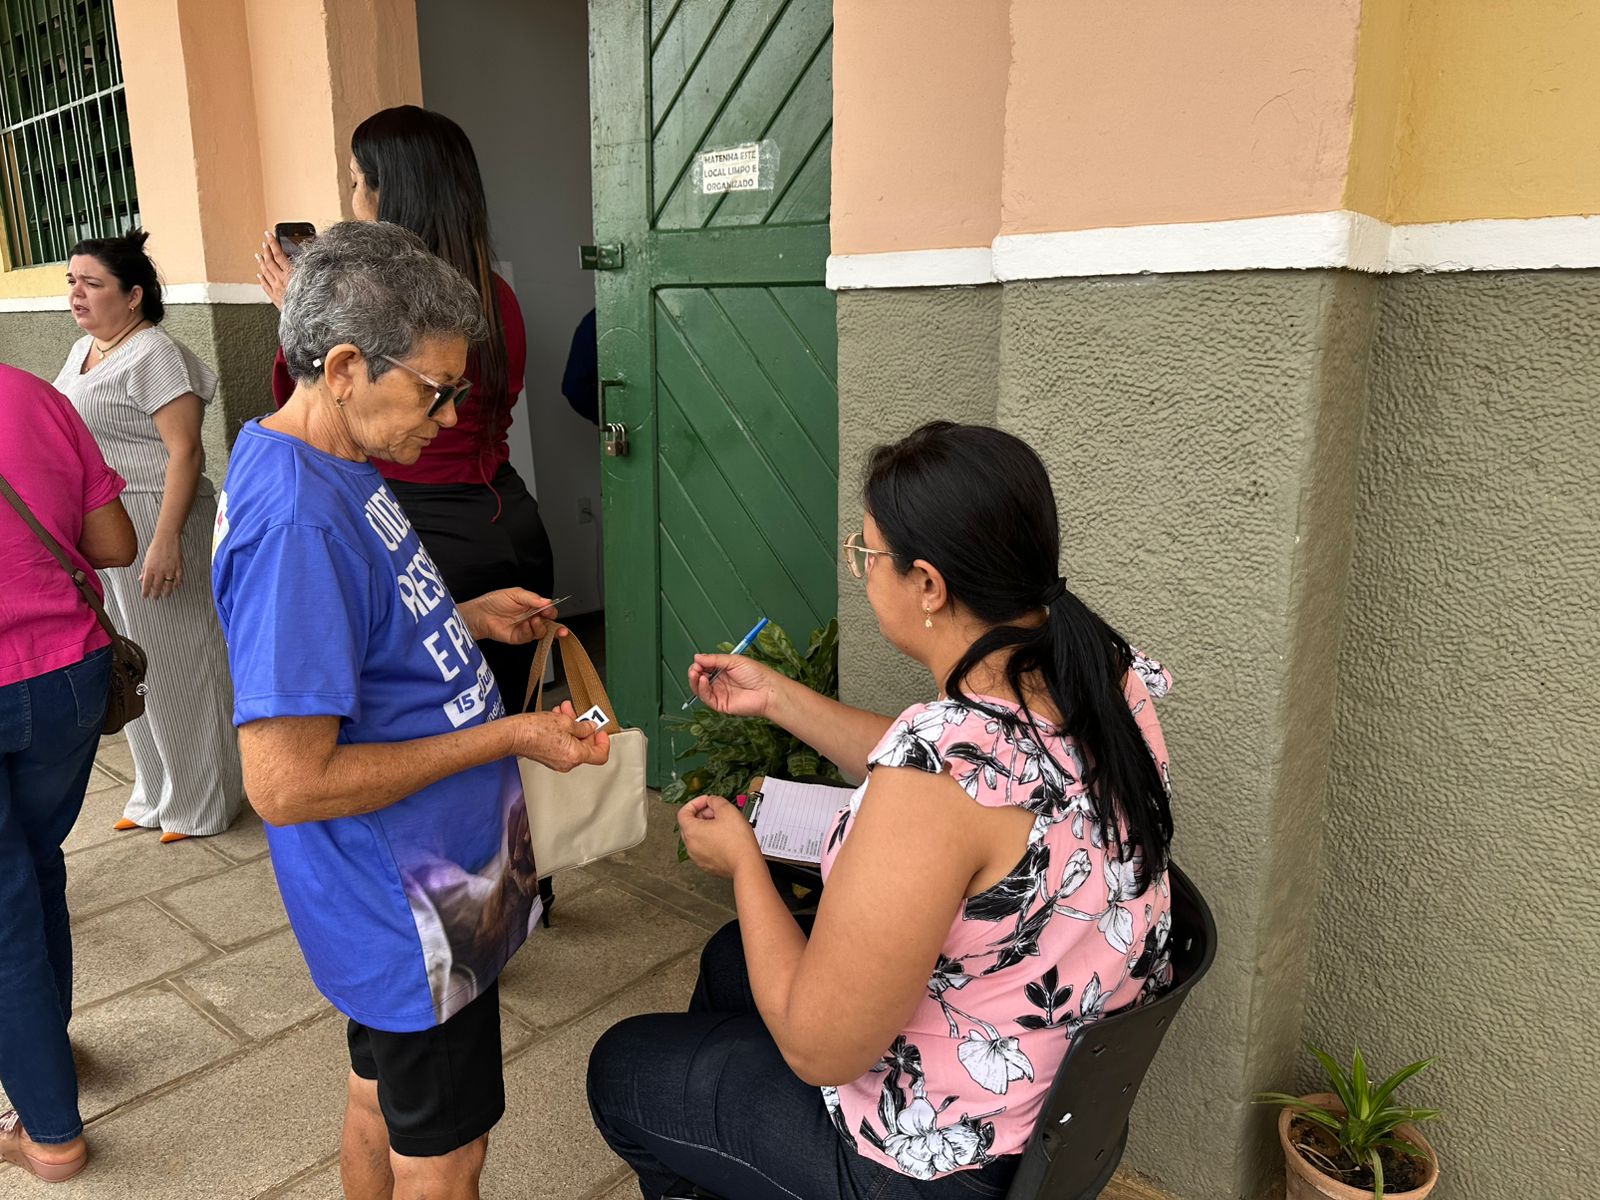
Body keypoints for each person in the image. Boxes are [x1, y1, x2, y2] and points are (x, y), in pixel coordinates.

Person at [587, 422, 1177, 1200]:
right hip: (1047, 1084)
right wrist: (780, 700)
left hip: (944, 1160)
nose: (862, 570)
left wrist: (743, 866)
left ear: (928, 584)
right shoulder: (1098, 671)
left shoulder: (939, 775)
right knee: (733, 959)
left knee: (621, 1068)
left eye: (866, 555)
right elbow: (964, 774)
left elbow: (816, 1048)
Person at [214, 220, 610, 1200]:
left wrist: (460, 614)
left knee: (375, 1097)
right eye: (436, 392)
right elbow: (287, 782)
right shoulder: (297, 522)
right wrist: (514, 733)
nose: (450, 416)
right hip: (411, 908)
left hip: (408, 892)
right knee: (447, 1152)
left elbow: (345, 634)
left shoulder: (326, 457)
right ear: (344, 366)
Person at [256, 105, 554, 712]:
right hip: (507, 523)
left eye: (358, 180)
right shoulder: (496, 298)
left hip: (422, 536)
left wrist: (304, 313)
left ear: (389, 189)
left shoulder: (387, 317)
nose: (354, 197)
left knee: (434, 733)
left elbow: (318, 422)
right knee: (510, 728)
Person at [50, 230, 244, 844]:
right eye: (72, 282)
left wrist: (164, 541)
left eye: (92, 283)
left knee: (182, 663)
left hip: (161, 522)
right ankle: (155, 790)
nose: (77, 294)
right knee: (127, 660)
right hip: (106, 529)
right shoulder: (85, 351)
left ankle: (203, 801)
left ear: (133, 296)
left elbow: (184, 452)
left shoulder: (154, 352)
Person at [0, 365, 138, 1183]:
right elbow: (113, 542)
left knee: (6, 905)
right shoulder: (32, 395)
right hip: (64, 678)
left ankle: (49, 1131)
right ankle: (49, 1043)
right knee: (37, 865)